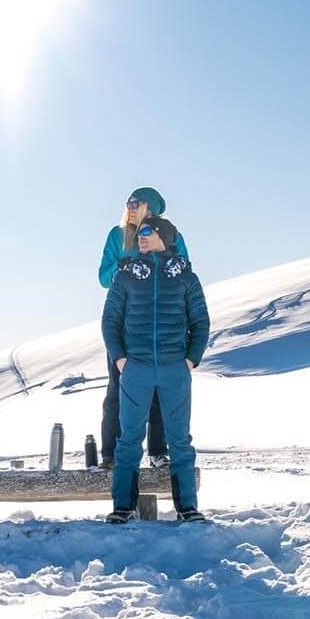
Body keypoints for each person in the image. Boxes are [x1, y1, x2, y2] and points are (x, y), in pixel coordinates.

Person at [101, 215, 210, 523]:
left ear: (164, 236)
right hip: (136, 369)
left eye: (147, 231)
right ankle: (122, 507)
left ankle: (187, 507)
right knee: (128, 441)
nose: (141, 236)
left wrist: (189, 360)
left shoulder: (186, 278)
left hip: (174, 369)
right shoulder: (125, 276)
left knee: (180, 442)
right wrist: (121, 359)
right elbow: (110, 321)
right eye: (139, 233)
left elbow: (200, 322)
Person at [97, 187, 189, 470]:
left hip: (160, 322)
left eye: (137, 202)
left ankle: (158, 451)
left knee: (159, 390)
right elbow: (103, 276)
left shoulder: (171, 235)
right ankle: (111, 454)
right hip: (125, 323)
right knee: (118, 388)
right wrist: (121, 266)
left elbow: (184, 268)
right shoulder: (118, 235)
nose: (131, 206)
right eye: (129, 202)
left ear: (151, 207)